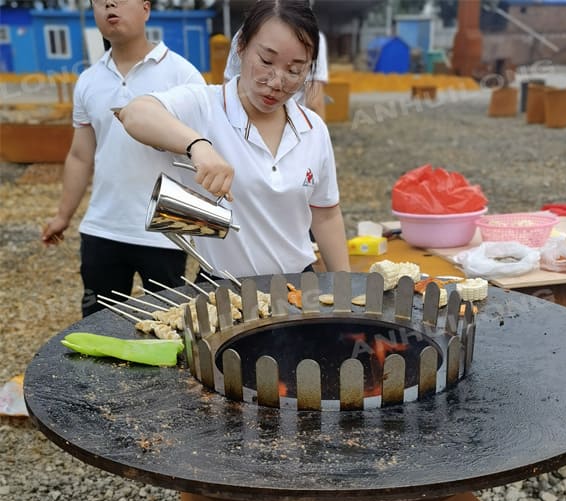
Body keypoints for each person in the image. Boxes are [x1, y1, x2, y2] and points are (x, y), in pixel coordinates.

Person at [118, 0, 350, 279]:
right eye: (266, 61)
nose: (277, 81)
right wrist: (198, 146)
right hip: (223, 289)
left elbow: (326, 215)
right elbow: (135, 113)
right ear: (241, 47)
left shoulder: (313, 129)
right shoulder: (205, 105)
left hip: (299, 284)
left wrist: (345, 291)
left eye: (294, 70)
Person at [41, 0, 205, 317]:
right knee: (96, 329)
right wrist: (63, 215)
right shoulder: (89, 80)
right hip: (103, 229)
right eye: (100, 2)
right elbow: (79, 155)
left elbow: (201, 147)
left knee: (168, 333)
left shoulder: (183, 75)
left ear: (146, 8)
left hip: (165, 230)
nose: (110, 5)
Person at [224, 25, 329, 120]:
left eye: (293, 71)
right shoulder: (312, 38)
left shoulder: (246, 33)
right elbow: (315, 102)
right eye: (266, 61)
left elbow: (228, 86)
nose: (276, 84)